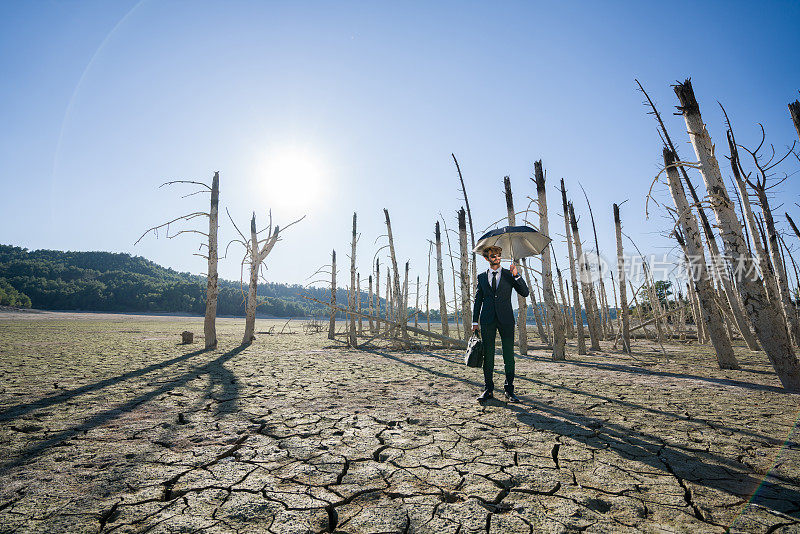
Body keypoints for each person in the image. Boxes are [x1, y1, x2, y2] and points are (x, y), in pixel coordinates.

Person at [471, 245, 529, 402]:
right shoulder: (482, 277)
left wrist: (516, 276)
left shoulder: (509, 274)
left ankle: (509, 390)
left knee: (508, 356)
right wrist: (474, 321)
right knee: (488, 355)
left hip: (506, 320)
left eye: (498, 255)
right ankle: (488, 390)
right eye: (493, 256)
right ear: (487, 258)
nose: (496, 257)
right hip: (487, 320)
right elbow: (478, 300)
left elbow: (525, 292)